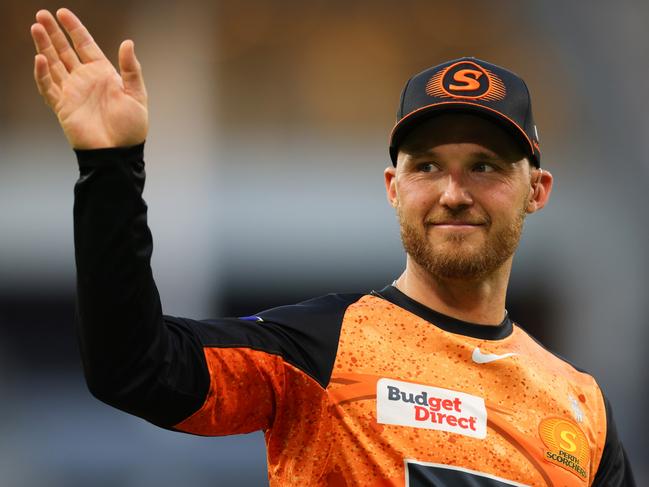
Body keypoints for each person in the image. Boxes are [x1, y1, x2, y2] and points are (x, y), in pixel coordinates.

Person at [30, 7, 635, 487]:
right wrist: (109, 169)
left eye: (484, 166)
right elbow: (132, 367)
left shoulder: (581, 408)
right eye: (427, 166)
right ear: (394, 188)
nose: (454, 193)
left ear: (538, 190)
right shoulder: (320, 349)